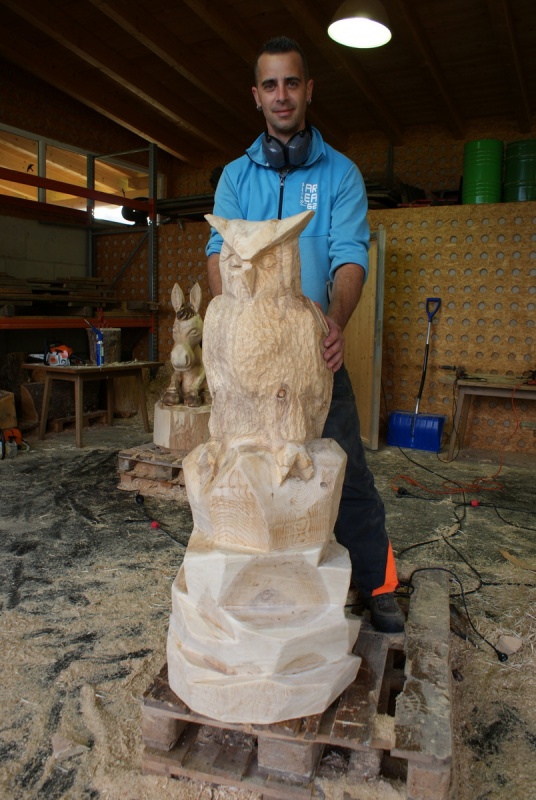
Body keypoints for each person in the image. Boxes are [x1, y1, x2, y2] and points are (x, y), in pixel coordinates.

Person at [206, 36, 404, 633]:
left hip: (314, 355)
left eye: (291, 82)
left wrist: (334, 323)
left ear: (308, 89)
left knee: (345, 471)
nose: (282, 95)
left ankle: (378, 584)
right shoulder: (235, 177)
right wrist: (232, 324)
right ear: (256, 95)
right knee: (242, 467)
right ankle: (254, 582)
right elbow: (218, 253)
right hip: (253, 363)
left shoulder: (340, 173)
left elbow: (350, 257)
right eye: (270, 84)